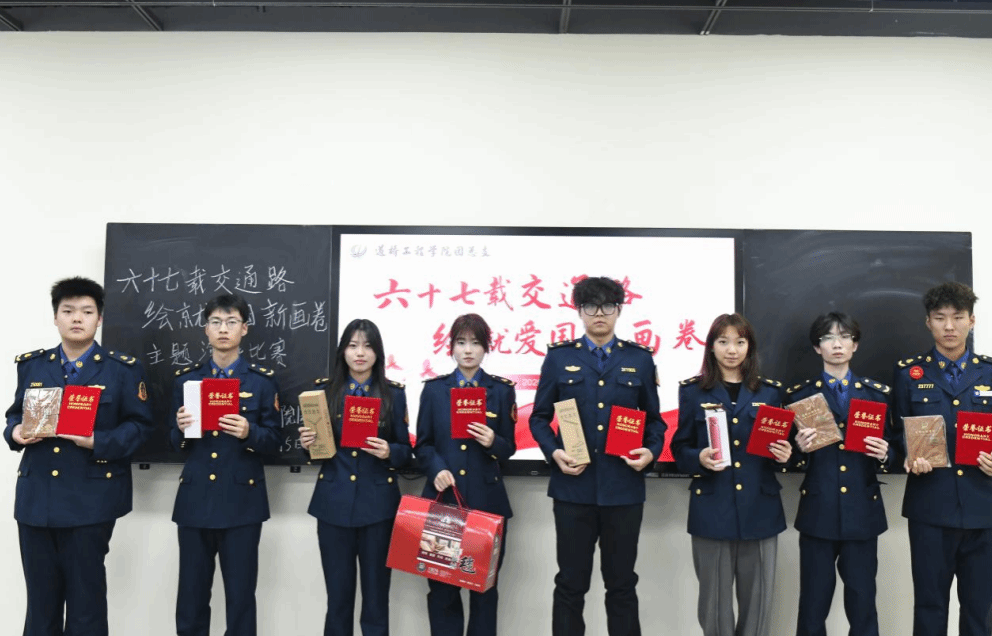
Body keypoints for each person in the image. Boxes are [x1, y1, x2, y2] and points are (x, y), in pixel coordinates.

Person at [4, 276, 154, 635]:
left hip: (91, 500)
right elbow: (14, 415)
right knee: (40, 606)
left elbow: (140, 427)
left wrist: (96, 440)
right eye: (68, 311)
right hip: (37, 499)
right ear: (55, 317)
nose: (76, 318)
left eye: (86, 312)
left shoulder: (122, 369)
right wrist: (15, 432)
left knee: (86, 605)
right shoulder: (33, 365)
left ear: (99, 319)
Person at [529, 276, 665, 636]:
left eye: (608, 306)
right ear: (579, 311)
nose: (599, 313)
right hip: (573, 491)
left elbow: (655, 422)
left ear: (619, 310)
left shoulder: (639, 359)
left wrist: (650, 452)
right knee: (570, 584)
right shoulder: (559, 357)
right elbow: (539, 417)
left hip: (623, 490)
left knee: (622, 585)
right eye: (590, 306)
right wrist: (554, 451)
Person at [671, 312, 791, 636]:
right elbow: (679, 449)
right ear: (711, 346)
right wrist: (699, 458)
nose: (732, 350)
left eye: (740, 342)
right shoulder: (693, 391)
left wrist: (785, 455)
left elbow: (781, 449)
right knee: (714, 606)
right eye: (723, 341)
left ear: (749, 347)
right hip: (713, 509)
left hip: (760, 508)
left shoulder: (770, 392)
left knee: (758, 606)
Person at [171, 293, 282, 636]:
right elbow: (175, 445)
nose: (223, 329)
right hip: (195, 502)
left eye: (231, 322)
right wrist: (180, 430)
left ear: (244, 329)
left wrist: (250, 432)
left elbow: (275, 442)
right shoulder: (187, 381)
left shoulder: (262, 382)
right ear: (206, 329)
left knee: (241, 599)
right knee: (191, 599)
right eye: (216, 322)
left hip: (242, 503)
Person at [299, 318, 412, 636]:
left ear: (378, 353)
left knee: (376, 600)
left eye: (367, 346)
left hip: (378, 509)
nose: (360, 353)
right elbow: (315, 453)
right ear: (343, 352)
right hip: (333, 505)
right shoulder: (323, 392)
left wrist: (389, 451)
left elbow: (406, 451)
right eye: (352, 345)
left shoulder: (393, 394)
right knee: (338, 600)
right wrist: (307, 445)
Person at [893, 281, 992, 636]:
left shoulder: (990, 372)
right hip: (930, 509)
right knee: (930, 607)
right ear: (928, 322)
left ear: (972, 320)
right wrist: (908, 455)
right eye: (940, 318)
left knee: (980, 611)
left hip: (984, 510)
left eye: (958, 317)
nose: (949, 326)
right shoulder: (908, 374)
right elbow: (895, 434)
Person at [785, 312, 893, 636]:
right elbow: (785, 457)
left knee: (863, 603)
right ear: (817, 347)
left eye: (844, 337)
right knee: (812, 605)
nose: (837, 344)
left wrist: (886, 453)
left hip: (862, 512)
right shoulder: (798, 396)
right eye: (828, 338)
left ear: (854, 345)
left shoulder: (877, 395)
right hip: (818, 511)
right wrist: (798, 450)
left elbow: (898, 449)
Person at [414, 313, 517, 636]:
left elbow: (509, 448)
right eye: (461, 343)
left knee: (483, 590)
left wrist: (493, 441)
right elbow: (423, 444)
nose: (468, 350)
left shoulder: (501, 390)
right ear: (451, 347)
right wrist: (436, 468)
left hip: (487, 504)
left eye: (475, 343)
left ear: (486, 347)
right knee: (442, 591)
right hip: (444, 503)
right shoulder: (434, 390)